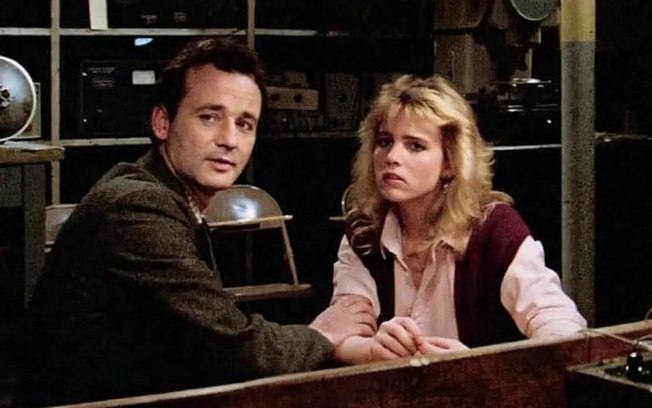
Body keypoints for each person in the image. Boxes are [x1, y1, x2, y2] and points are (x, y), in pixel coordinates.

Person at [13, 37, 375, 407]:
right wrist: (324, 334)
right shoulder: (136, 208)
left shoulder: (161, 195)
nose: (229, 140)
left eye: (244, 124)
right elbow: (239, 352)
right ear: (162, 122)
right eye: (209, 117)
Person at [329, 74, 587, 364]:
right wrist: (372, 350)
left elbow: (561, 326)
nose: (391, 157)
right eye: (385, 141)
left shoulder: (494, 228)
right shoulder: (364, 233)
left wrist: (477, 365)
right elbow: (338, 335)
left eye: (415, 146)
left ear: (450, 164)